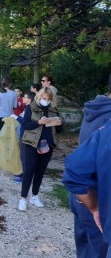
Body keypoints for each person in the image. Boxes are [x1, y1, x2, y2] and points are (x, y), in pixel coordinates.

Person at [64, 74, 111, 258]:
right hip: (94, 197)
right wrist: (95, 208)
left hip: (80, 194)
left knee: (84, 248)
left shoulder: (96, 108)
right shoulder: (107, 119)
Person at [18, 87, 62, 212]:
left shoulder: (54, 110)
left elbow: (59, 131)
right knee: (29, 171)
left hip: (48, 145)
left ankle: (35, 196)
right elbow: (25, 125)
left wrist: (59, 125)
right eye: (44, 98)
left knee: (40, 171)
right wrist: (39, 122)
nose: (46, 101)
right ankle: (22, 198)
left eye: (48, 99)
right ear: (39, 97)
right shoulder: (31, 107)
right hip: (31, 144)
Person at [10, 92, 36, 184]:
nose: (23, 98)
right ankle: (23, 173)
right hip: (24, 134)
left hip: (26, 135)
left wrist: (17, 118)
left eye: (25, 97)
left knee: (25, 156)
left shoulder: (30, 108)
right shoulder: (28, 108)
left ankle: (24, 176)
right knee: (23, 155)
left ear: (30, 99)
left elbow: (25, 123)